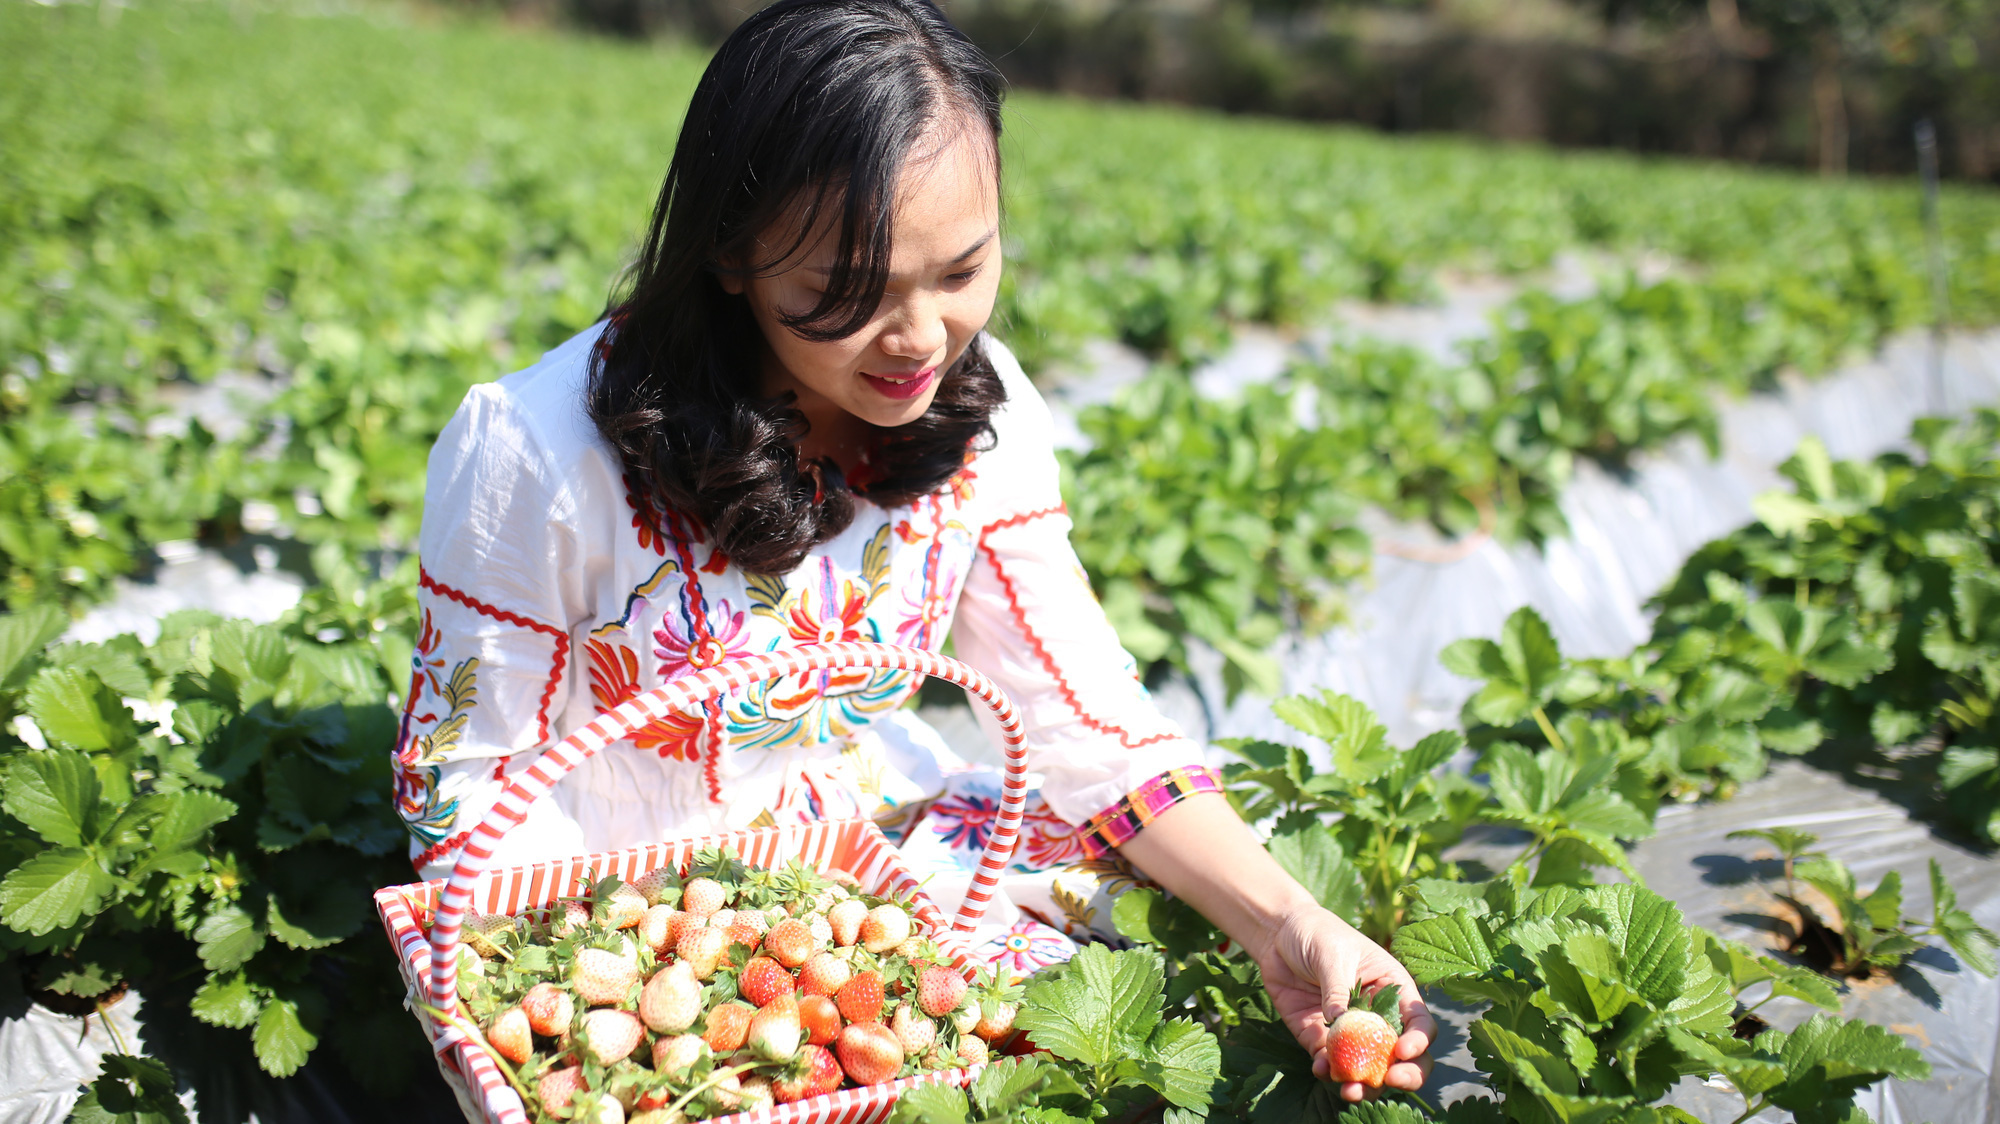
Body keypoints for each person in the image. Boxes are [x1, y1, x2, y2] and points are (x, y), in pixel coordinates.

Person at [393, 0, 1432, 1098]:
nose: (919, 340)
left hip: (864, 860)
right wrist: (641, 1013)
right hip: (620, 912)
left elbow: (1082, 713)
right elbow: (472, 795)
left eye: (959, 273)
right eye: (843, 295)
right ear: (731, 256)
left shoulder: (981, 414)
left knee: (1106, 1002)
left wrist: (1286, 921)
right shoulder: (537, 453)